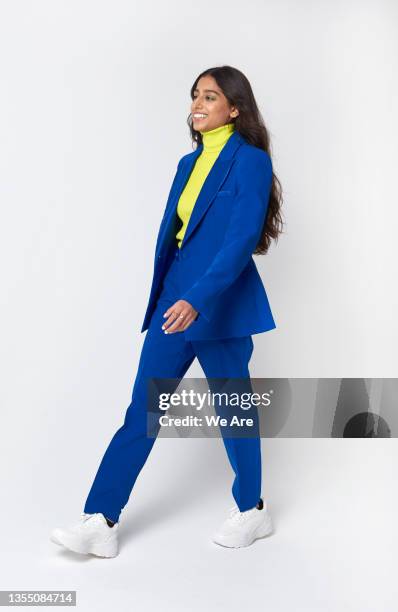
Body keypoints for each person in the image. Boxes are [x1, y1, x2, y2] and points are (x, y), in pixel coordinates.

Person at [51, 65, 283, 557]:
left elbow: (240, 241)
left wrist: (198, 298)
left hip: (219, 302)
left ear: (235, 108)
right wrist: (173, 295)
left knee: (233, 411)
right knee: (143, 410)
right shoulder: (187, 162)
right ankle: (101, 519)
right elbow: (178, 238)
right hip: (172, 300)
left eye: (211, 97)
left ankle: (252, 510)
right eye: (195, 95)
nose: (198, 104)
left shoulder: (250, 162)